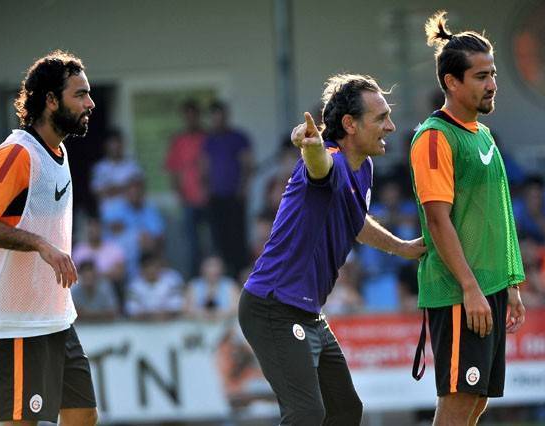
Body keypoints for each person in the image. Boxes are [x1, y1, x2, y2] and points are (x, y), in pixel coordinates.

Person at [238, 73, 425, 426]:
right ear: (350, 124)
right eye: (381, 118)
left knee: (345, 410)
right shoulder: (332, 159)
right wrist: (310, 147)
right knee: (306, 413)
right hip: (273, 307)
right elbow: (319, 165)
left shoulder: (364, 166)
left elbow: (356, 221)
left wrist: (402, 248)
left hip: (307, 312)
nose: (390, 126)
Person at [0, 51, 98, 425]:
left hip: (56, 319)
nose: (90, 103)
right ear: (51, 100)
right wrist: (40, 244)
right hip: (19, 325)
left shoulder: (60, 150)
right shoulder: (17, 153)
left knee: (84, 416)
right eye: (80, 94)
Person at [409, 12, 526, 426]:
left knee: (476, 402)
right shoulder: (435, 137)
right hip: (461, 292)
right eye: (480, 76)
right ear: (452, 82)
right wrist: (470, 288)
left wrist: (510, 283)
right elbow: (437, 221)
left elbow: (497, 214)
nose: (492, 84)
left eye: (492, 74)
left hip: (488, 287)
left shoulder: (484, 134)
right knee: (459, 402)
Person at [203, 100, 253, 278]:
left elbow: (247, 165)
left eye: (220, 116)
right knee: (219, 239)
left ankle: (239, 276)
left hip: (235, 197)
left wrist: (243, 188)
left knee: (237, 239)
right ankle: (222, 277)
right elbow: (205, 166)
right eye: (214, 117)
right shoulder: (209, 140)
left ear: (226, 116)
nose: (218, 120)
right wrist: (207, 190)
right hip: (216, 198)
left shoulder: (239, 138)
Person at [165, 99, 209, 278]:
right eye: (187, 115)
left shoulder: (207, 137)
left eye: (194, 115)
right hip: (188, 200)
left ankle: (213, 277)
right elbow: (173, 170)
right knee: (191, 244)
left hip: (209, 199)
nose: (191, 119)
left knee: (211, 242)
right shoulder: (178, 140)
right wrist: (179, 195)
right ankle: (194, 279)